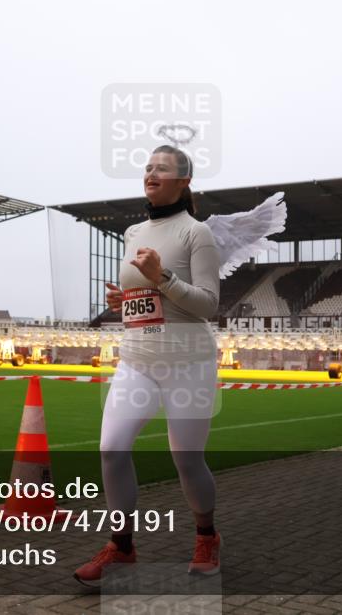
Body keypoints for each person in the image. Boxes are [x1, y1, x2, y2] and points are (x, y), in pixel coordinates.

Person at [74, 145, 223, 586]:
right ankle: (122, 548)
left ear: (183, 181)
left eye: (161, 168)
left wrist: (164, 279)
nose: (150, 173)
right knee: (111, 448)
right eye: (147, 168)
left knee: (186, 459)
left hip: (189, 363)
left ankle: (207, 536)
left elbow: (209, 306)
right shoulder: (132, 231)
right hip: (137, 359)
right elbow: (147, 299)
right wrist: (126, 300)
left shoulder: (198, 234)